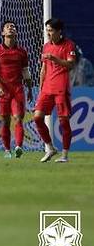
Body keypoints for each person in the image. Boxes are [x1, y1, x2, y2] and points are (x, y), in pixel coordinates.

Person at [0, 21, 33, 159]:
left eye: (13, 27)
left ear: (16, 33)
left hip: (18, 88)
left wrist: (30, 88)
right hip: (4, 90)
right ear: (3, 33)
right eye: (8, 27)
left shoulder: (22, 52)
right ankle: (7, 150)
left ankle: (19, 147)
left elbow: (25, 71)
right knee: (5, 121)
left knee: (18, 119)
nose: (11, 28)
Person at [34, 18, 76, 163]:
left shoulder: (69, 45)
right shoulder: (46, 46)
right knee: (37, 118)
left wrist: (55, 58)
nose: (48, 33)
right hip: (46, 89)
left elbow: (70, 65)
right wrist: (40, 88)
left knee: (63, 121)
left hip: (61, 89)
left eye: (51, 31)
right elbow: (44, 69)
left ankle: (64, 155)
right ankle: (51, 148)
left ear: (59, 31)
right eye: (47, 31)